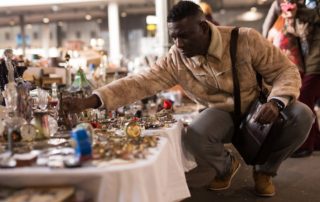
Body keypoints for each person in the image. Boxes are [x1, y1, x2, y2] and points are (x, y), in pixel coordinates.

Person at [63, 1, 314, 197]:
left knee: (302, 115)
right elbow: (140, 82)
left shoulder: (245, 39)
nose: (178, 43)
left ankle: (265, 171)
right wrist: (92, 100)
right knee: (195, 134)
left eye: (184, 35)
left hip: (258, 107)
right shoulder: (176, 57)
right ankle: (226, 166)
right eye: (173, 36)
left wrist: (277, 101)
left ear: (203, 27)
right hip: (220, 113)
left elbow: (286, 70)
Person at [263, 0, 320, 158]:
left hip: (316, 62)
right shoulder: (285, 4)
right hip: (307, 59)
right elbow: (268, 27)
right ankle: (315, 142)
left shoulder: (304, 6)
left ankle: (305, 145)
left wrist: (296, 11)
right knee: (305, 99)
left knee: (304, 98)